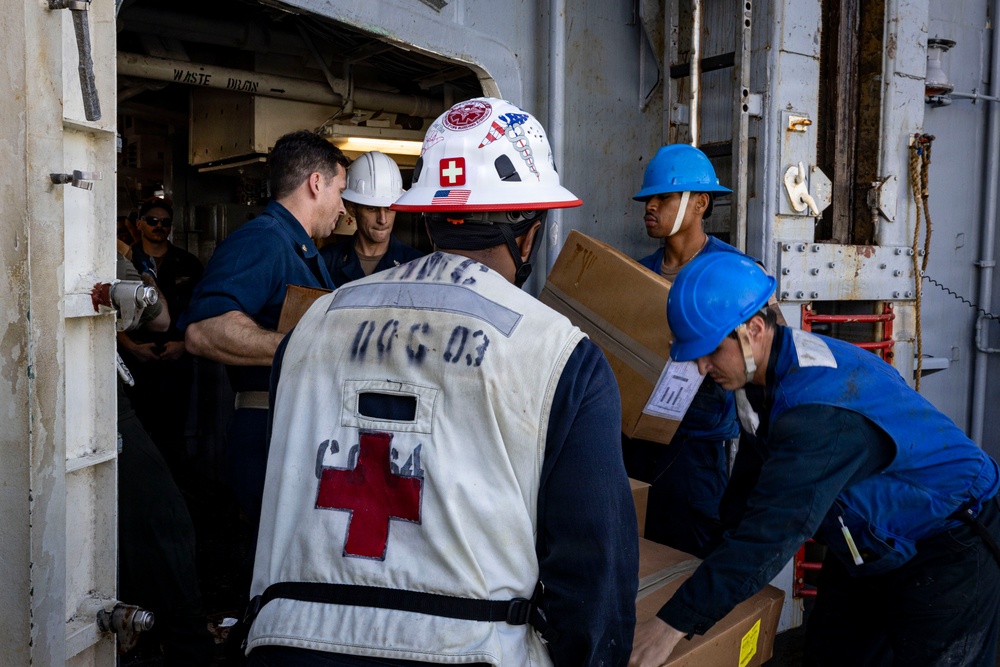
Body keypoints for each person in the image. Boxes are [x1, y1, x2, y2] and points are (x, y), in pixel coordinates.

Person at [244, 97, 639, 666]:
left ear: (425, 219)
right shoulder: (559, 354)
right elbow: (593, 573)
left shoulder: (312, 327)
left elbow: (282, 493)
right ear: (529, 235)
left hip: (289, 647)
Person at [629, 252, 1000, 667]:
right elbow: (750, 484)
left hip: (947, 541)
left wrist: (672, 625)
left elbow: (773, 530)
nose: (700, 367)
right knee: (830, 654)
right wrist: (710, 563)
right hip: (867, 542)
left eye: (711, 351)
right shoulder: (759, 374)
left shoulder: (818, 414)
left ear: (753, 329)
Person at [180, 130, 348, 526]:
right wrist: (305, 346)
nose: (342, 208)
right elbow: (203, 330)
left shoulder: (301, 248)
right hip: (270, 431)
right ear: (316, 183)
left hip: (295, 429)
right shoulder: (263, 240)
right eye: (340, 191)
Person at [623, 144, 744, 557]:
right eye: (647, 199)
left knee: (688, 559)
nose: (650, 207)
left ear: (700, 204)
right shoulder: (638, 275)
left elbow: (761, 363)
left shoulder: (732, 274)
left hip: (696, 451)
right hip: (636, 444)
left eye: (664, 197)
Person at [115, 252, 215, 666]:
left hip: (141, 389)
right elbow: (156, 316)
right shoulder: (100, 245)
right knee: (164, 518)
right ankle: (188, 645)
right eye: (151, 220)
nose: (158, 226)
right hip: (98, 397)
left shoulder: (178, 261)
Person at [118, 197, 204, 476]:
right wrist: (131, 347)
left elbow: (201, 312)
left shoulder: (188, 263)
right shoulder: (123, 263)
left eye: (165, 222)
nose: (159, 226)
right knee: (134, 436)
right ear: (140, 223)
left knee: (173, 438)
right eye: (152, 220)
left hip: (176, 363)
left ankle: (174, 495)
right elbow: (108, 317)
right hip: (135, 364)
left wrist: (184, 346)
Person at [320, 150, 424, 286]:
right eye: (372, 209)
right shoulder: (326, 261)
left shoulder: (417, 265)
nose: (383, 220)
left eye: (389, 209)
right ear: (352, 208)